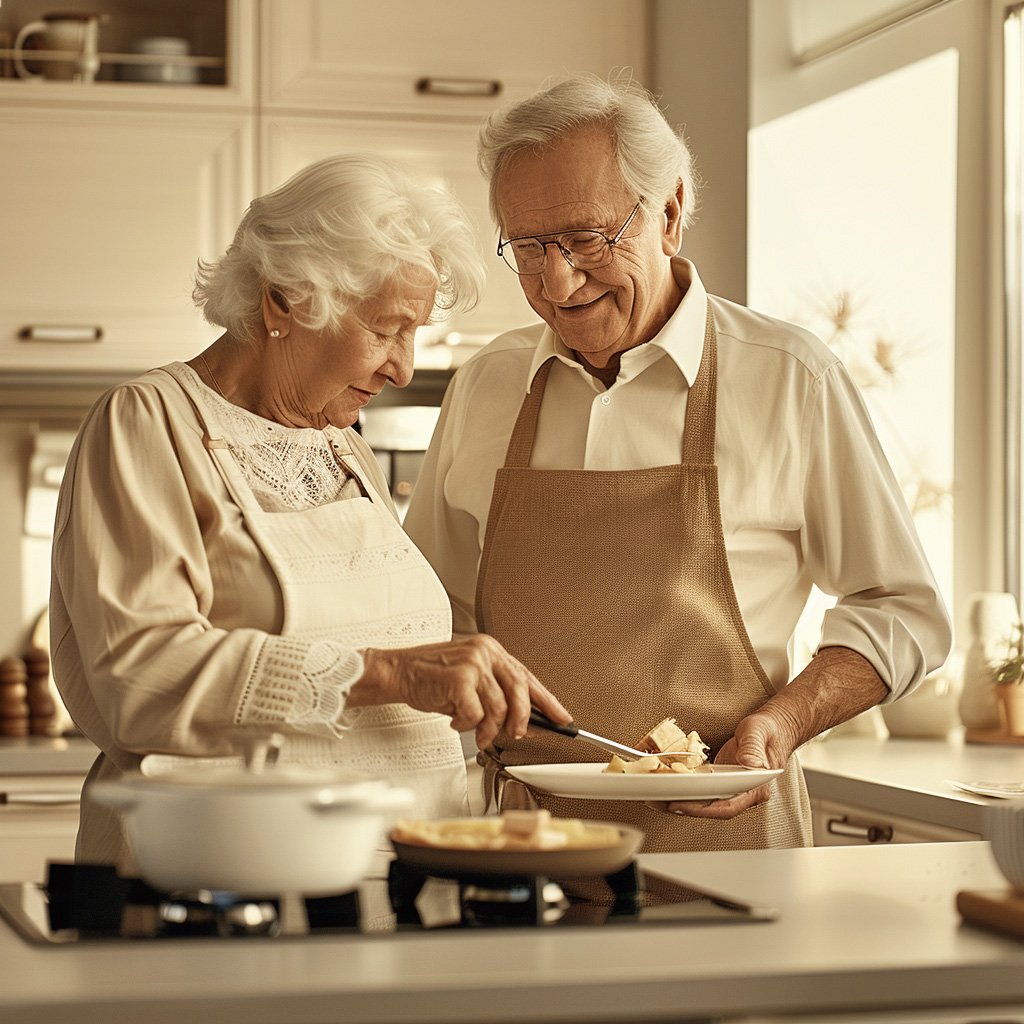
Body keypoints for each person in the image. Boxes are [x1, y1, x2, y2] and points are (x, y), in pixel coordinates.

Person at [403, 75, 952, 851]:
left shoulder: (790, 379)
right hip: (519, 858)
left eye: (586, 239)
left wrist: (781, 722)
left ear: (669, 214)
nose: (557, 282)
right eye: (528, 248)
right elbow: (428, 616)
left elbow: (905, 609)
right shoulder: (487, 386)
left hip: (730, 853)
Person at [50, 154, 569, 870]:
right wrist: (391, 674)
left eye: (414, 334)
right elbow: (139, 681)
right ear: (283, 301)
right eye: (388, 329)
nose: (404, 367)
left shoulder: (340, 445)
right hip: (222, 877)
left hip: (396, 874)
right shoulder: (147, 423)